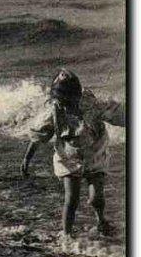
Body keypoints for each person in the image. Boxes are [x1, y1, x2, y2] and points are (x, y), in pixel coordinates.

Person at [21, 69, 125, 238]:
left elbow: (115, 114)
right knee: (72, 199)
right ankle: (66, 234)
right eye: (60, 101)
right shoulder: (54, 111)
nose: (65, 106)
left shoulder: (92, 104)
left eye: (68, 102)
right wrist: (27, 158)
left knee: (96, 198)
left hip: (95, 153)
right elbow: (38, 136)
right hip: (68, 157)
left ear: (77, 96)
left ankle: (101, 221)